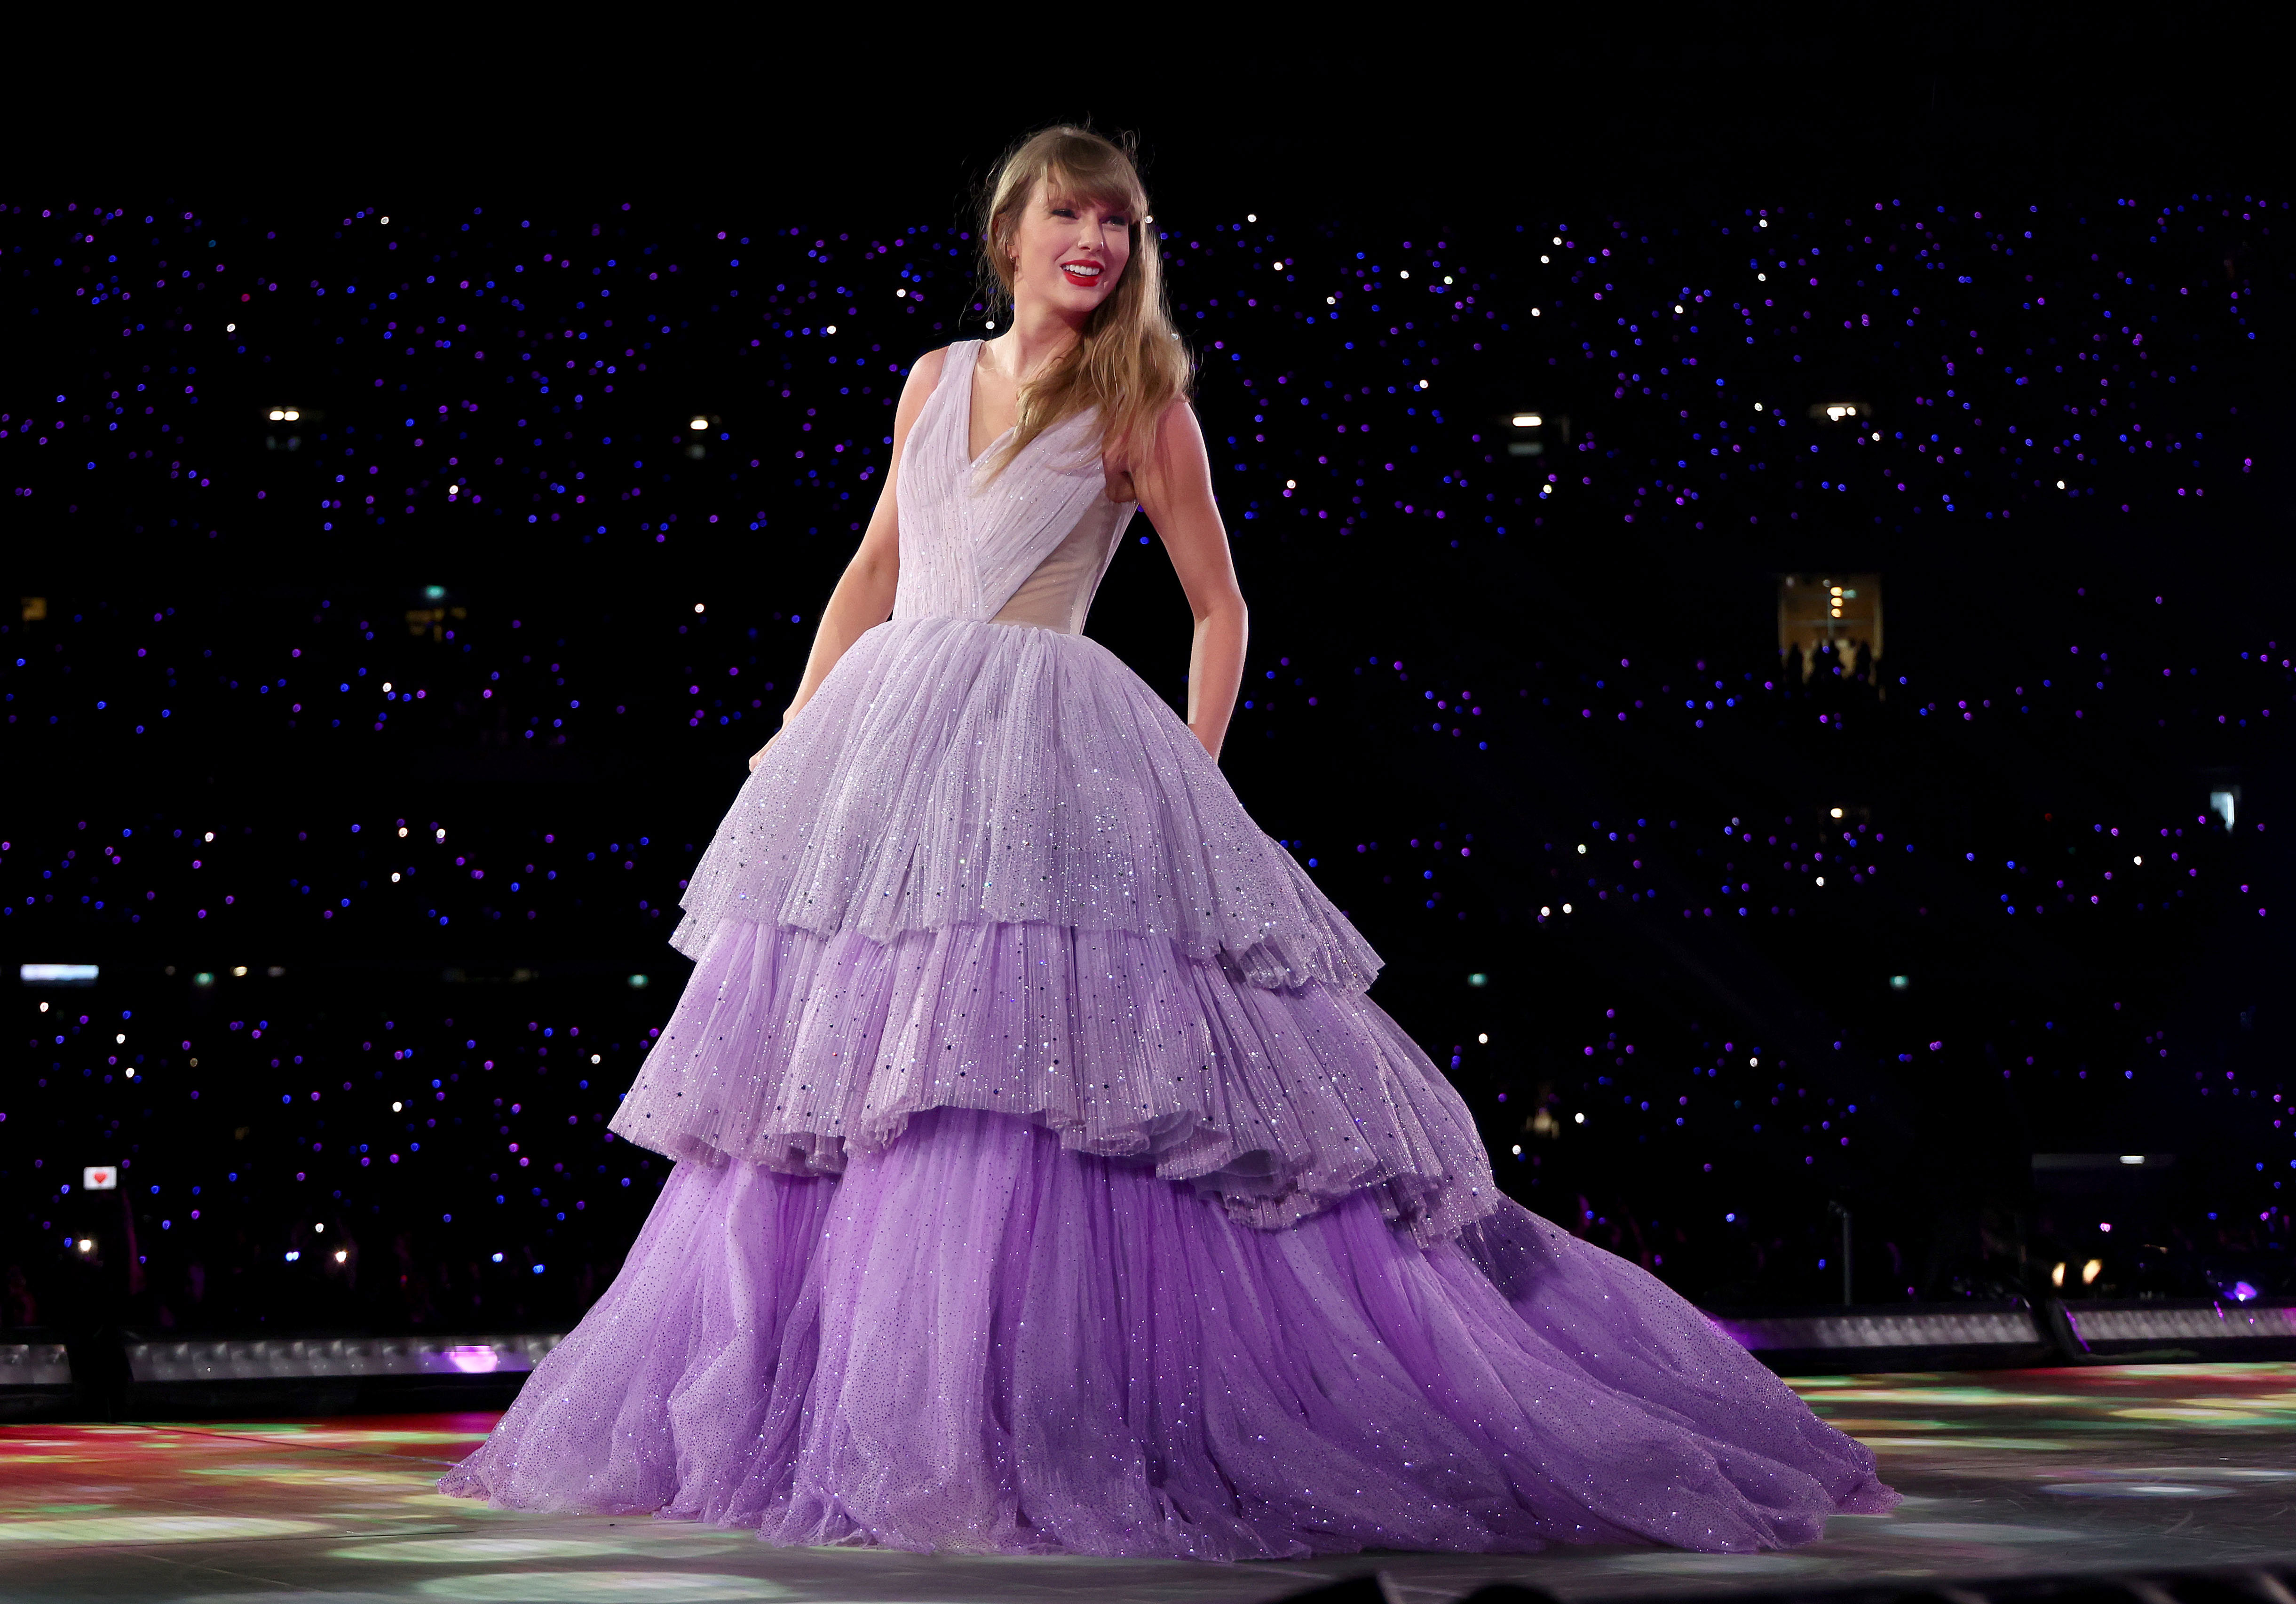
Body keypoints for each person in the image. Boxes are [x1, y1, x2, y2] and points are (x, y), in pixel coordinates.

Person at [440, 125, 1894, 1559]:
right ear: (1008, 233)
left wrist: (1191, 780)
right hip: (889, 743)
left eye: (1120, 222)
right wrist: (791, 728)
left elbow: (1221, 606)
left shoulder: (1143, 402)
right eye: (1072, 215)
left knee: (1030, 1066)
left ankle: (1022, 1415)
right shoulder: (933, 379)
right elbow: (874, 569)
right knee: (850, 1067)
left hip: (1046, 727)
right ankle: (856, 1412)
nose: (1096, 242)